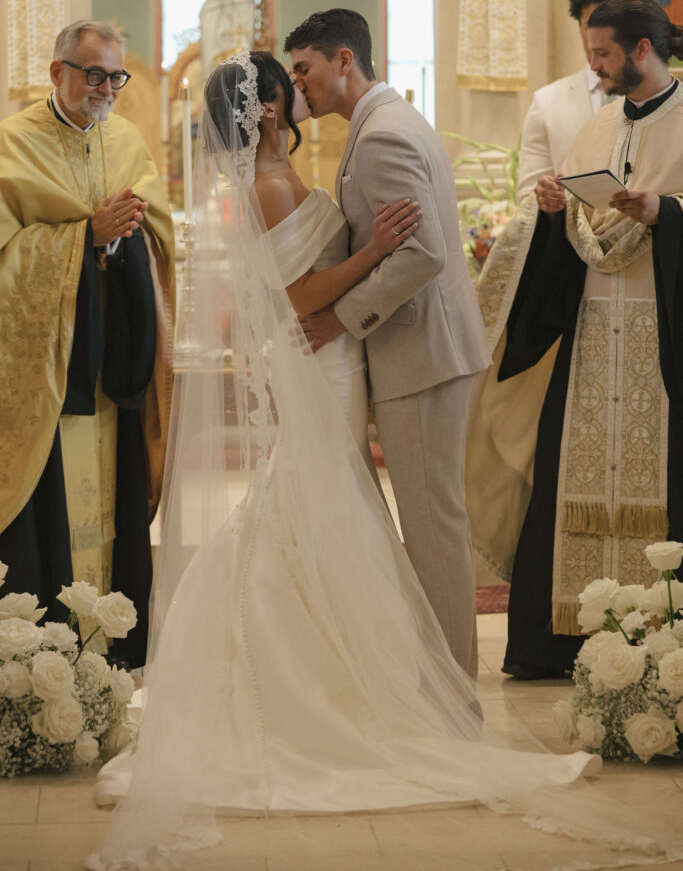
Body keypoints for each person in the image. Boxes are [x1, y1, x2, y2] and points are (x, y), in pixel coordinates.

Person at [85, 49, 683, 871]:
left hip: (337, 359)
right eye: (282, 83)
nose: (295, 92)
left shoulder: (311, 160)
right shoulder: (264, 186)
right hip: (323, 359)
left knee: (329, 503)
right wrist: (371, 255)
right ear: (262, 111)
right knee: (324, 501)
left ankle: (362, 674)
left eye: (299, 73)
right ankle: (343, 684)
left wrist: (366, 261)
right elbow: (291, 297)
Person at [467, 0, 683, 680]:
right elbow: (573, 232)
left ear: (641, 51)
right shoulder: (595, 127)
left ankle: (664, 642)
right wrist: (555, 208)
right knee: (568, 477)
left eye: (602, 54)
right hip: (592, 335)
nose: (593, 68)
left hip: (662, 334)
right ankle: (563, 638)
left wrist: (666, 212)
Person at [285, 9, 491, 678]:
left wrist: (340, 317)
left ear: (344, 60)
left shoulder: (381, 136)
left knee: (432, 531)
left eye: (304, 70)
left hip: (422, 356)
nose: (299, 87)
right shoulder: (382, 124)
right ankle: (442, 688)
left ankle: (453, 698)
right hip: (421, 352)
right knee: (431, 526)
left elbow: (422, 254)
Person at [0, 20, 175, 669]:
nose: (106, 89)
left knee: (116, 510)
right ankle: (48, 650)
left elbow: (158, 235)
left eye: (115, 76)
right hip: (50, 370)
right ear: (57, 73)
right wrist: (85, 239)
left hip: (114, 363)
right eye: (93, 74)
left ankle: (116, 647)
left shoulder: (126, 140)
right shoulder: (12, 146)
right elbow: (6, 258)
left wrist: (131, 241)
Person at [517, 0, 636, 203]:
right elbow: (527, 194)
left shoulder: (656, 95)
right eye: (591, 24)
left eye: (612, 24)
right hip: (571, 233)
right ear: (580, 27)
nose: (600, 35)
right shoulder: (547, 102)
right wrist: (544, 199)